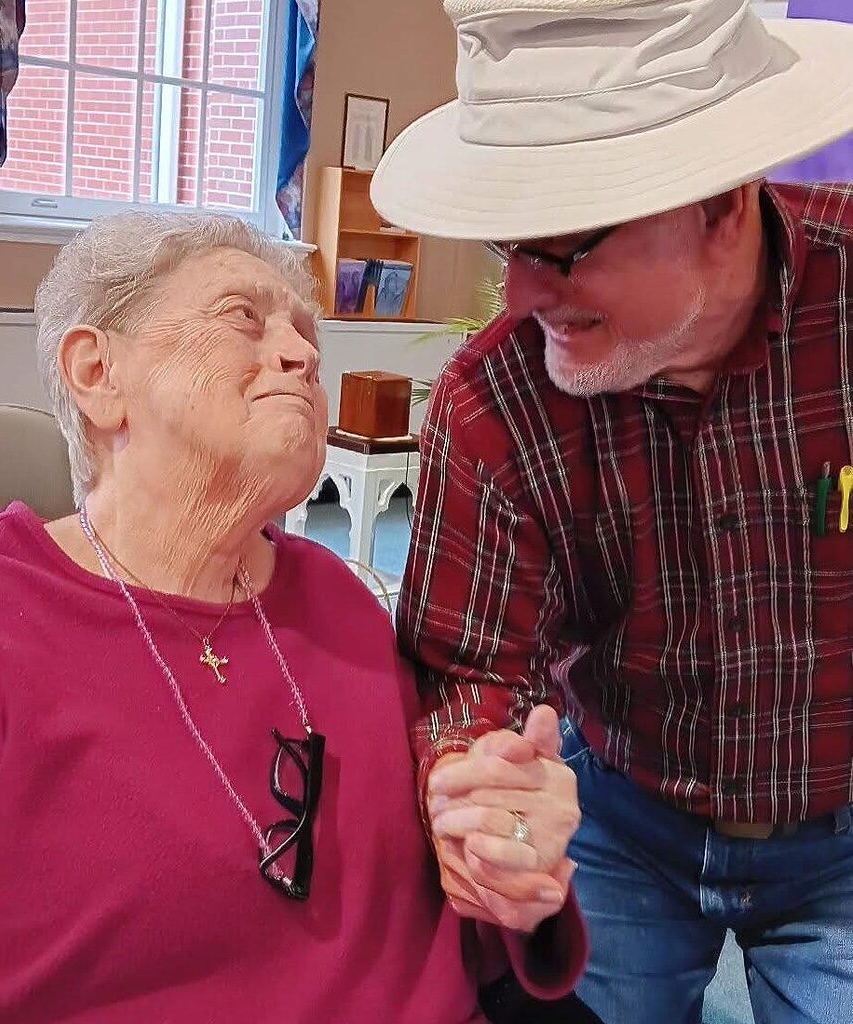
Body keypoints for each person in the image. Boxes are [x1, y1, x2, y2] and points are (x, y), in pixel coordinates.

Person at [369, 2, 853, 1023]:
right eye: (508, 242)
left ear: (721, 206)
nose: (516, 289)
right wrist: (481, 790)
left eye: (561, 245)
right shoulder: (492, 406)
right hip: (620, 813)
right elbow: (468, 671)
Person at [0, 212, 588, 1023]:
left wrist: (503, 852)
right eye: (244, 317)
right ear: (98, 371)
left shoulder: (338, 600)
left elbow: (451, 903)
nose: (305, 354)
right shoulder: (16, 619)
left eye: (306, 333)